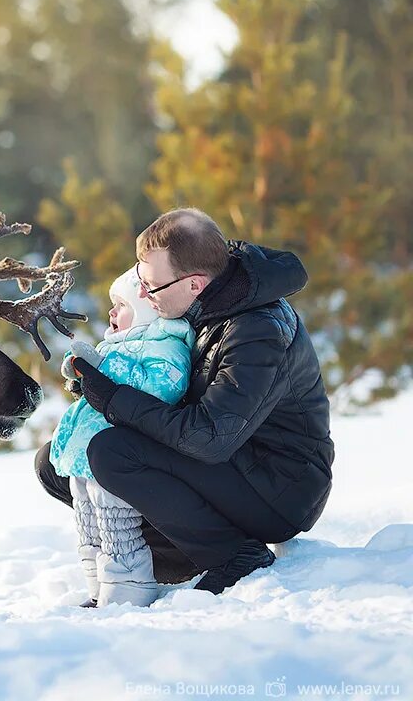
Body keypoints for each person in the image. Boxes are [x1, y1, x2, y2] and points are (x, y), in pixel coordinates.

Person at [36, 208, 333, 595]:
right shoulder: (197, 303)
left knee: (111, 452)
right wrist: (108, 380)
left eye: (152, 286)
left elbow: (209, 436)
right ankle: (182, 554)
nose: (142, 293)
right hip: (227, 463)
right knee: (58, 463)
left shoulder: (258, 332)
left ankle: (233, 554)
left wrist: (113, 399)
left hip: (277, 487)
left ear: (194, 284)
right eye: (141, 279)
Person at [51, 266, 195, 607]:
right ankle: (98, 584)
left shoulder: (165, 345)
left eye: (122, 305)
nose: (112, 312)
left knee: (115, 520)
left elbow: (160, 387)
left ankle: (129, 583)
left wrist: (103, 367)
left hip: (122, 448)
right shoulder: (125, 345)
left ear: (145, 309)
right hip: (93, 450)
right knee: (88, 519)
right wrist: (83, 378)